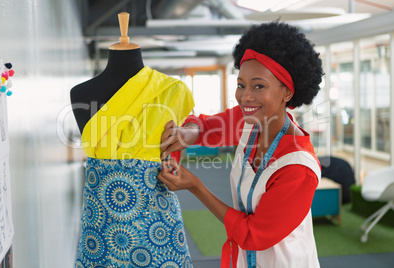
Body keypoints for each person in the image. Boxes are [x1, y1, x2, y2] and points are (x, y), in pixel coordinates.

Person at [159, 21, 324, 268]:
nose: (245, 96)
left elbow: (252, 234)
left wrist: (196, 186)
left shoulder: (299, 168)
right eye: (241, 84)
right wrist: (188, 132)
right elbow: (204, 127)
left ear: (287, 92)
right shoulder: (251, 120)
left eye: (259, 86)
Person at [70, 12, 195, 268]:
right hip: (102, 224)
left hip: (157, 222)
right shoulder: (79, 94)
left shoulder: (172, 90)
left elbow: (193, 128)